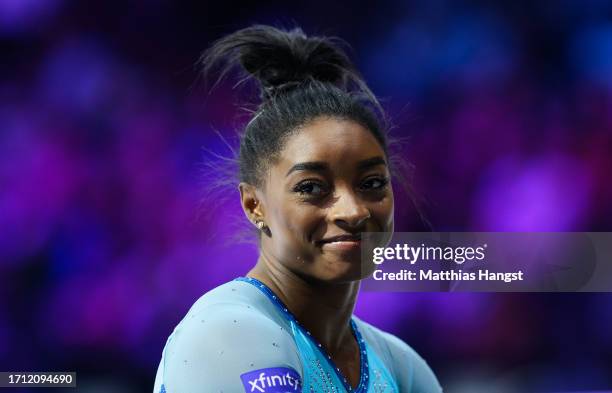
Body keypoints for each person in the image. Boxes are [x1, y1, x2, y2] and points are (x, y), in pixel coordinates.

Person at [153, 24, 443, 393]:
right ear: (253, 204)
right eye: (311, 188)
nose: (353, 211)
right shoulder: (229, 332)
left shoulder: (401, 366)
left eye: (371, 183)